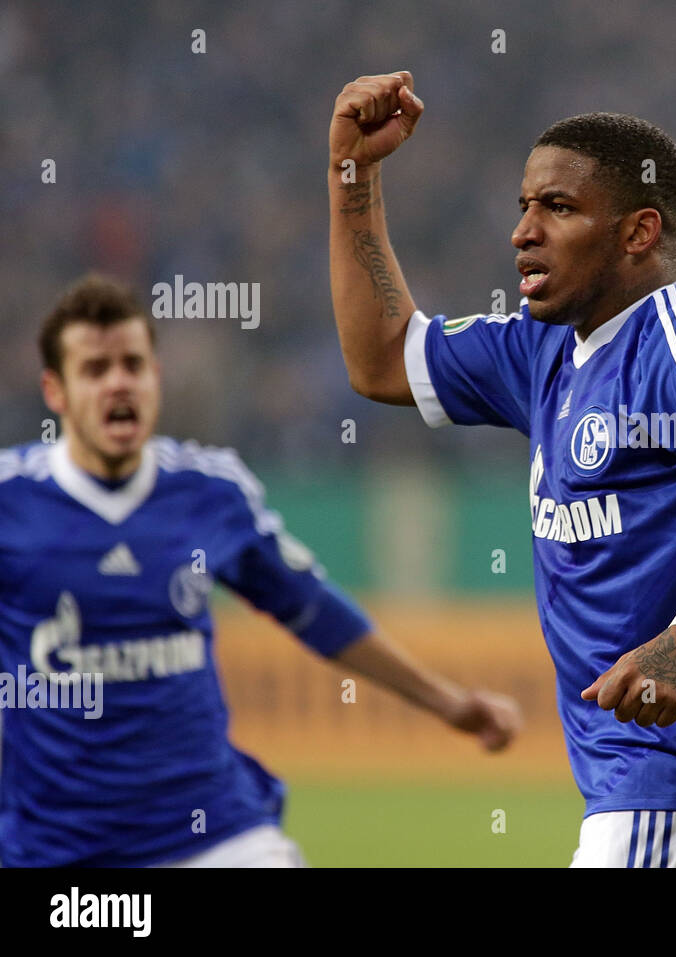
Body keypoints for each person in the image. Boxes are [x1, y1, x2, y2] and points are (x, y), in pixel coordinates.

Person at [327, 72, 676, 867]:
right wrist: (353, 172)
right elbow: (382, 357)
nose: (523, 231)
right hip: (670, 790)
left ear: (637, 232)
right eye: (524, 206)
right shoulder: (544, 346)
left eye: (557, 208)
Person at [0, 273, 522, 867]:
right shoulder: (11, 504)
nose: (119, 382)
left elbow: (315, 612)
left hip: (211, 835)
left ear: (155, 376)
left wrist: (449, 704)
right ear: (55, 391)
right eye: (95, 370)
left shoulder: (209, 492)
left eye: (133, 364)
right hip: (52, 848)